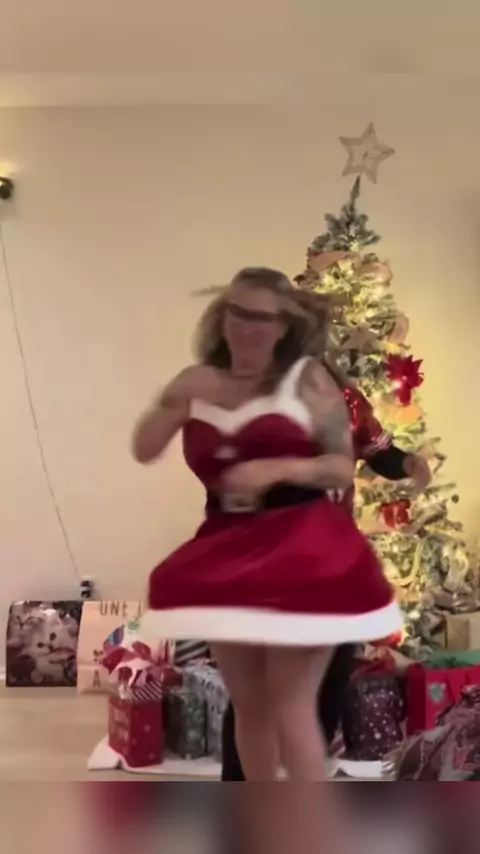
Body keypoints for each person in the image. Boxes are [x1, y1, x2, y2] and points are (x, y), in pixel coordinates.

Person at [134, 266, 403, 781]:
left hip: (304, 549)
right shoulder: (199, 382)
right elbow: (144, 450)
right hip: (228, 549)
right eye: (237, 312)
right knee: (250, 706)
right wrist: (170, 401)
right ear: (222, 316)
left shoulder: (307, 379)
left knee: (290, 707)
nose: (247, 326)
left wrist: (277, 469)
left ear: (284, 326)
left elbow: (339, 466)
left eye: (262, 317)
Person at [221, 383, 431, 780]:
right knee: (255, 695)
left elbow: (380, 452)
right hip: (272, 563)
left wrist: (409, 463)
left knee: (331, 680)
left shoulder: (345, 398)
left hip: (334, 563)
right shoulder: (259, 397)